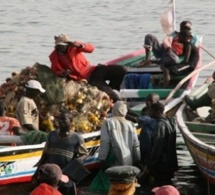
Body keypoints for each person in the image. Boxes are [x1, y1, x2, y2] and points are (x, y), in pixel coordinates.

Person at [49, 34, 127, 103]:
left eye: (63, 45)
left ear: (67, 45)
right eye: (58, 46)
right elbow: (55, 70)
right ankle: (112, 96)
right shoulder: (54, 56)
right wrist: (63, 73)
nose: (60, 48)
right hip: (87, 79)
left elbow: (91, 49)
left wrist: (79, 45)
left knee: (121, 70)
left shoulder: (74, 47)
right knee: (113, 96)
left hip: (94, 70)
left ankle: (113, 88)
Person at [33, 110, 88, 195]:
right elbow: (45, 155)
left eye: (64, 119)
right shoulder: (52, 135)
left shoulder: (77, 138)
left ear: (71, 121)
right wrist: (37, 172)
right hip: (51, 176)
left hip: (66, 176)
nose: (61, 122)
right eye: (60, 119)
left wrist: (75, 164)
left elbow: (84, 154)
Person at [139, 21, 199, 87]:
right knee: (149, 36)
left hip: (173, 56)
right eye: (183, 28)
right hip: (165, 51)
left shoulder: (191, 38)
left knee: (174, 59)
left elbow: (189, 51)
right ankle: (147, 60)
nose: (185, 30)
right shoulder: (175, 34)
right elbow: (166, 40)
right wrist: (168, 47)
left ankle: (153, 62)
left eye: (187, 28)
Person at [98, 101, 140, 167]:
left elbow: (105, 142)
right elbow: (135, 144)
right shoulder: (130, 124)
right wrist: (137, 159)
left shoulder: (107, 122)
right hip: (128, 160)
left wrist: (102, 158)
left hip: (113, 161)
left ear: (114, 109)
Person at [146, 103, 178, 187]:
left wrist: (151, 164)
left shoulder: (160, 125)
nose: (148, 113)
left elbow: (158, 147)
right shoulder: (170, 122)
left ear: (157, 112)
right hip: (169, 164)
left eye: (150, 111)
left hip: (162, 166)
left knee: (159, 187)